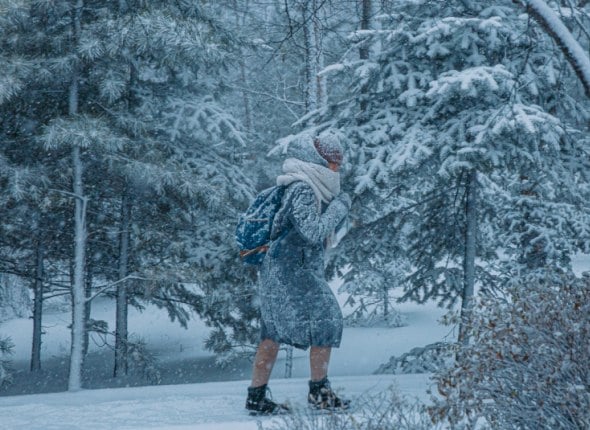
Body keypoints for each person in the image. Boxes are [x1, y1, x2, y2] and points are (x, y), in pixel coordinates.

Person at [245, 130, 352, 415]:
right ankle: (319, 393)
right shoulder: (303, 188)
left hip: (282, 269)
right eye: (330, 161)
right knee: (326, 319)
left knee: (272, 331)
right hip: (292, 270)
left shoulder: (305, 186)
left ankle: (256, 397)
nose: (335, 168)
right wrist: (340, 207)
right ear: (313, 158)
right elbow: (313, 231)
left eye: (337, 162)